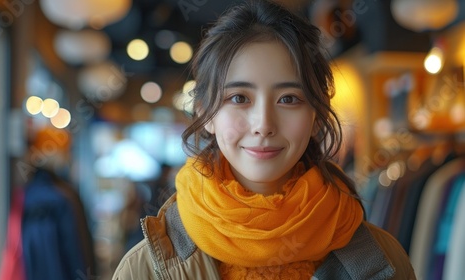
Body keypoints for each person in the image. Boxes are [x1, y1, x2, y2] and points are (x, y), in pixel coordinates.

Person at [112, 0, 416, 279]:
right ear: (206, 113)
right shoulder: (144, 270)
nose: (264, 125)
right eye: (239, 97)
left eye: (288, 98)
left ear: (316, 115)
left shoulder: (381, 260)